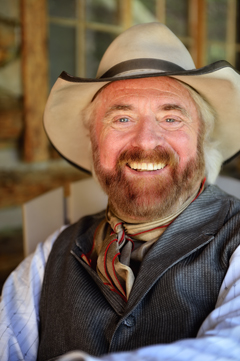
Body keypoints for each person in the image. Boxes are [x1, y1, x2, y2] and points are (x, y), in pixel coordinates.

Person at [0, 22, 240, 361]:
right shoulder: (50, 256)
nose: (146, 141)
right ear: (94, 142)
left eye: (171, 119)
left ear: (201, 140)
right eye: (122, 119)